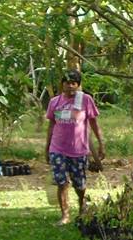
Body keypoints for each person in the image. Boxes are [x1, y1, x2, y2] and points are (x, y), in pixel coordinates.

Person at [45, 69, 105, 225]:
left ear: (78, 85)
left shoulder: (85, 100)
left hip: (78, 150)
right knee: (61, 182)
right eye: (67, 83)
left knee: (80, 184)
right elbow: (52, 125)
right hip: (57, 148)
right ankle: (65, 215)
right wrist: (47, 147)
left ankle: (81, 206)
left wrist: (101, 143)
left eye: (73, 83)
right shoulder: (55, 102)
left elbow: (94, 124)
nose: (70, 86)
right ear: (62, 84)